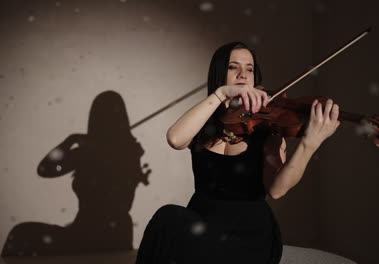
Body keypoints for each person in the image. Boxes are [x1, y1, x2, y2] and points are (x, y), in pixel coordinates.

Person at [135, 42, 341, 264]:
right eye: (233, 67)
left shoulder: (266, 127)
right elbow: (175, 139)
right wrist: (221, 93)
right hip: (203, 224)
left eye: (250, 68)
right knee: (168, 219)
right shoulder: (204, 121)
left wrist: (309, 144)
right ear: (220, 73)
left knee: (171, 223)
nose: (243, 74)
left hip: (248, 234)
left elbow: (277, 190)